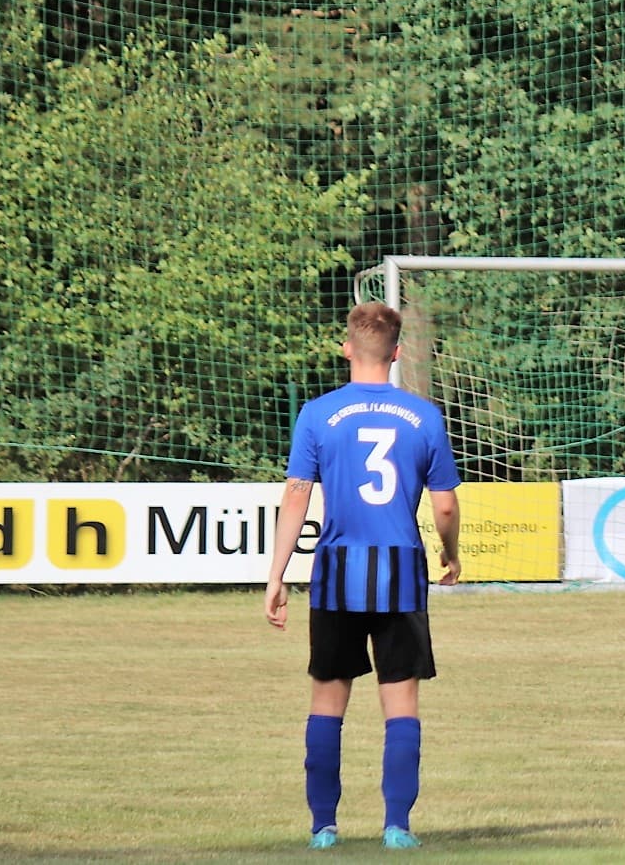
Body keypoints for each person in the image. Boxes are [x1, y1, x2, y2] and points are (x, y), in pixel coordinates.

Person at [264, 302, 462, 852]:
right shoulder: (424, 416)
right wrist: (451, 554)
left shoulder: (317, 413)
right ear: (397, 354)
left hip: (335, 573)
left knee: (327, 701)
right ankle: (397, 825)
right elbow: (444, 507)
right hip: (399, 572)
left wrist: (276, 576)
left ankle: (323, 827)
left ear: (348, 349)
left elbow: (297, 497)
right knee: (400, 703)